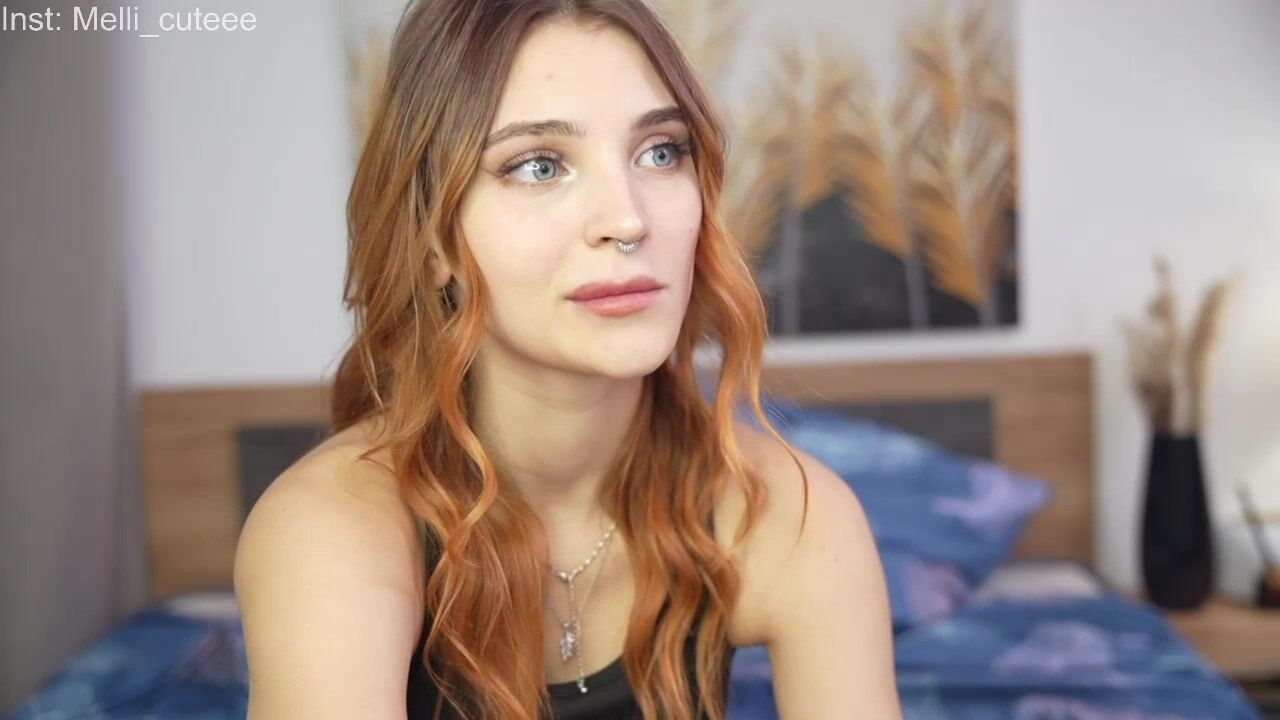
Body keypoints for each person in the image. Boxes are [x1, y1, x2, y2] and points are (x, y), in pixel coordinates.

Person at [232, 1, 900, 718]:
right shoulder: (328, 529)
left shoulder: (789, 513)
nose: (627, 218)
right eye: (539, 165)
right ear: (434, 243)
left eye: (661, 152)